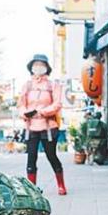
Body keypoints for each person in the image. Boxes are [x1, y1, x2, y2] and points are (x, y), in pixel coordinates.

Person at [18, 54, 66, 195]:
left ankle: (61, 184)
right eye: (35, 64)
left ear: (46, 67)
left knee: (51, 155)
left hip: (48, 127)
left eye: (41, 64)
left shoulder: (53, 85)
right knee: (31, 157)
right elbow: (21, 105)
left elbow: (57, 103)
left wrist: (43, 112)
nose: (38, 67)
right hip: (31, 126)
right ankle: (32, 190)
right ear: (31, 67)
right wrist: (25, 113)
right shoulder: (26, 85)